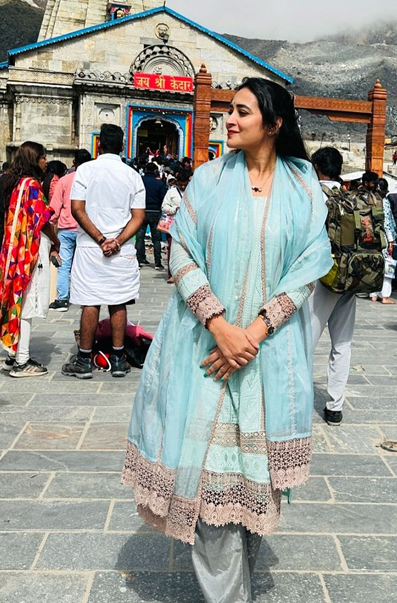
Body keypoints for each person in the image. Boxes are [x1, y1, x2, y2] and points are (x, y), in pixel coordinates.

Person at [122, 78, 330, 603]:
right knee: (209, 487)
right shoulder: (209, 180)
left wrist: (254, 332)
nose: (228, 121)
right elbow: (183, 254)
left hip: (269, 354)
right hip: (204, 352)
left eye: (241, 112)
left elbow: (310, 266)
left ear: (274, 122)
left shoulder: (304, 186)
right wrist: (219, 325)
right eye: (227, 111)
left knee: (254, 489)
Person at [61, 124, 145, 379]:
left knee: (90, 301)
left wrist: (99, 239)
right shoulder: (132, 175)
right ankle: (118, 358)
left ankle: (84, 359)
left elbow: (77, 209)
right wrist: (116, 241)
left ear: (99, 145)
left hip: (90, 248)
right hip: (121, 250)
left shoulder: (85, 171)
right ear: (122, 146)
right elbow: (138, 216)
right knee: (118, 301)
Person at [0, 142, 60, 376]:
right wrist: (56, 241)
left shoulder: (12, 182)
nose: (46, 162)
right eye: (43, 157)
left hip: (11, 249)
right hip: (27, 251)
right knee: (27, 303)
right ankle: (22, 362)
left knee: (14, 299)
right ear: (35, 160)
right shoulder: (32, 185)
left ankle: (13, 352)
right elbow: (42, 219)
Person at [309, 146, 358, 423]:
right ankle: (335, 406)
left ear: (316, 165)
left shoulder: (313, 195)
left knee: (307, 342)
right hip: (350, 279)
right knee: (342, 343)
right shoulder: (351, 198)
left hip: (321, 278)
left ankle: (298, 400)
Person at [48, 149, 93, 311]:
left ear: (74, 162)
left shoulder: (65, 180)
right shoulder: (93, 180)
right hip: (88, 229)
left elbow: (55, 207)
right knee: (86, 264)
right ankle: (86, 297)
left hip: (66, 228)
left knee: (64, 264)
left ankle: (62, 299)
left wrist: (51, 227)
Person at [370, 177, 397, 304]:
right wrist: (391, 240)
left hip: (370, 237)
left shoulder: (369, 199)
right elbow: (387, 224)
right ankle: (385, 295)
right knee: (387, 266)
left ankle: (373, 293)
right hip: (383, 238)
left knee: (374, 265)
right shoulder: (384, 202)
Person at [136, 161, 167, 270]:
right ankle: (158, 263)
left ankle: (138, 261)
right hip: (155, 212)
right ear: (155, 171)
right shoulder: (159, 184)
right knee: (156, 239)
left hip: (141, 211)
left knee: (140, 237)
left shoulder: (139, 181)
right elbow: (164, 198)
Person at [161, 168, 190, 283]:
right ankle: (171, 274)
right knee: (171, 249)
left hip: (189, 225)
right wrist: (174, 209)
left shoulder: (193, 191)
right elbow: (164, 207)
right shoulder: (171, 192)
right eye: (181, 184)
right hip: (173, 224)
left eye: (185, 184)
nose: (183, 187)